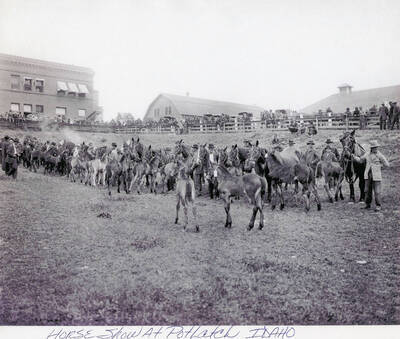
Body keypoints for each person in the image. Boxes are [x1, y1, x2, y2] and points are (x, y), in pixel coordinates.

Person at [352, 140, 389, 211]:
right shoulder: (367, 154)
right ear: (371, 148)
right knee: (367, 191)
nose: (376, 149)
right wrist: (354, 157)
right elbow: (360, 160)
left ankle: (378, 205)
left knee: (377, 191)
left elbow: (387, 165)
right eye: (374, 147)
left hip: (376, 176)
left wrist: (379, 167)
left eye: (376, 147)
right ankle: (367, 204)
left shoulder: (380, 155)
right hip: (367, 175)